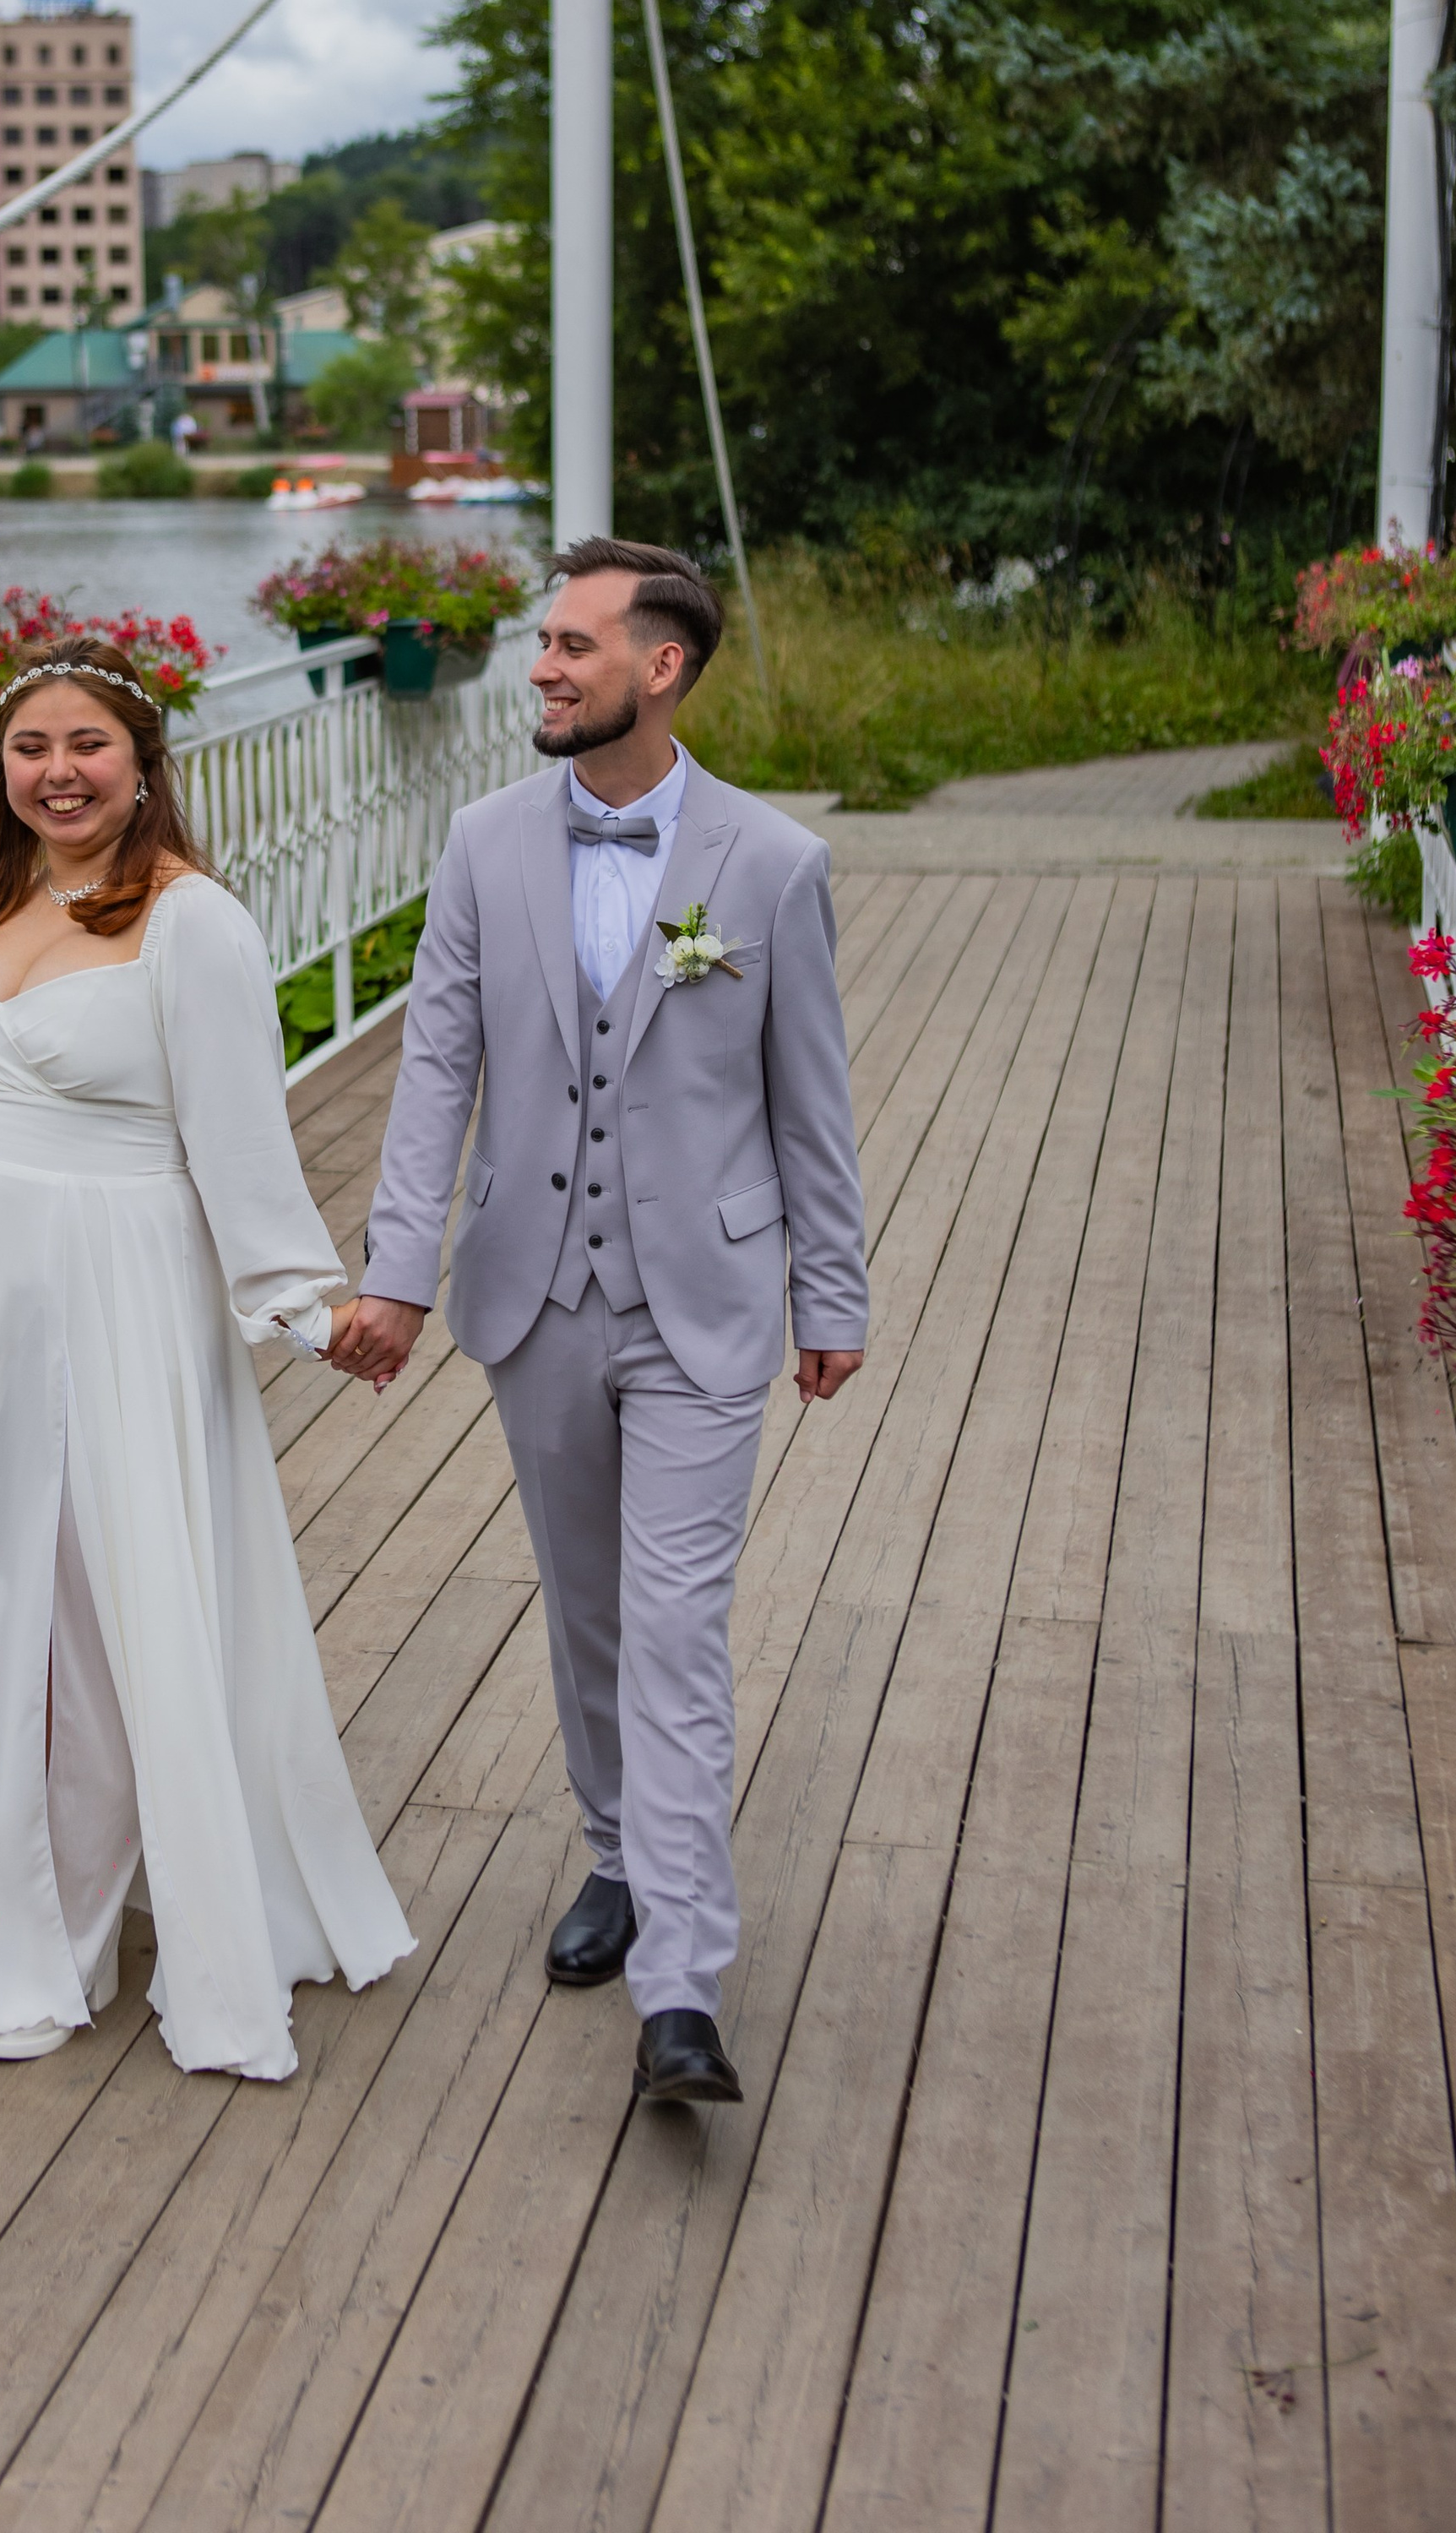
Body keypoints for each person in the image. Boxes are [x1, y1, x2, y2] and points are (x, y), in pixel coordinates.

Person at [0, 641, 414, 2074]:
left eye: (88, 745)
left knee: (102, 1612)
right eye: (32, 749)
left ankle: (74, 1927)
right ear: (1, 772)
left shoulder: (194, 921)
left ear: (143, 765)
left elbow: (236, 1138)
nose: (59, 772)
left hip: (123, 1297)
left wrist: (302, 1305)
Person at [333, 541, 867, 2105]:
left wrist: (829, 1289)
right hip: (534, 1292)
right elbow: (437, 1069)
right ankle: (620, 1857)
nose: (545, 670)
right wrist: (396, 1272)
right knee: (588, 1610)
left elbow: (809, 1106)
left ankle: (680, 1983)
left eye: (574, 646)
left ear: (663, 666)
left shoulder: (771, 865)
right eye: (541, 646)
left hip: (703, 1300)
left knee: (678, 1630)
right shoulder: (486, 843)